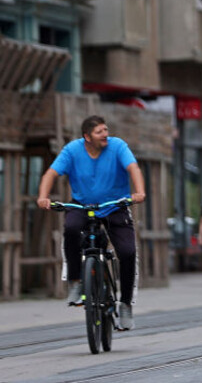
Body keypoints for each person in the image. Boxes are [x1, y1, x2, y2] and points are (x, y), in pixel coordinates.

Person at [36, 115, 146, 331]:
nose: (105, 134)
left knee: (127, 252)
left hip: (116, 205)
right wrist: (43, 196)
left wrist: (139, 192)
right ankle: (76, 282)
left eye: (106, 130)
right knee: (71, 228)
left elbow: (133, 168)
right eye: (99, 132)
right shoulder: (72, 150)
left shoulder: (117, 146)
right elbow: (51, 173)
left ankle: (125, 304)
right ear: (87, 137)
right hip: (83, 205)